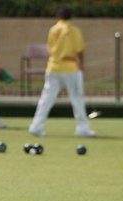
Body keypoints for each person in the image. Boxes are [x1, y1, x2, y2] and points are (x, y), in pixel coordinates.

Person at [28, 7, 96, 137]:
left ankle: (35, 126)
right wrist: (81, 63)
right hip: (70, 67)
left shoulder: (53, 29)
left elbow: (50, 48)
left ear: (59, 17)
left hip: (53, 66)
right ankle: (82, 128)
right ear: (70, 18)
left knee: (46, 98)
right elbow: (79, 49)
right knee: (76, 97)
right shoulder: (73, 30)